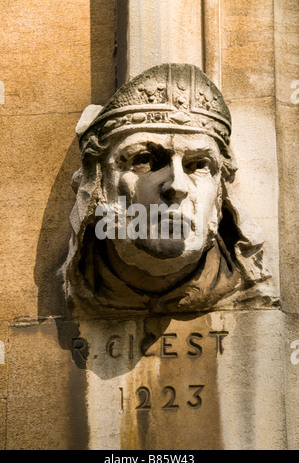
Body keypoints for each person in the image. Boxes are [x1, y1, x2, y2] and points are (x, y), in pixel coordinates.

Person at [63, 63, 275, 317]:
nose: (176, 186)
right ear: (99, 183)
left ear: (220, 192)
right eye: (144, 160)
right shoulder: (87, 282)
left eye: (198, 165)